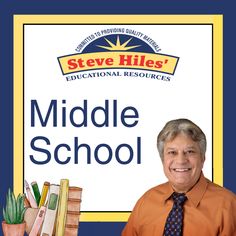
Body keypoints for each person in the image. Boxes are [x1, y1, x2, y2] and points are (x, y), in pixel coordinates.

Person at [122, 118, 236, 236]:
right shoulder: (145, 202)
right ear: (163, 159)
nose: (181, 161)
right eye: (172, 152)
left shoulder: (229, 207)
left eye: (190, 151)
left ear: (203, 158)